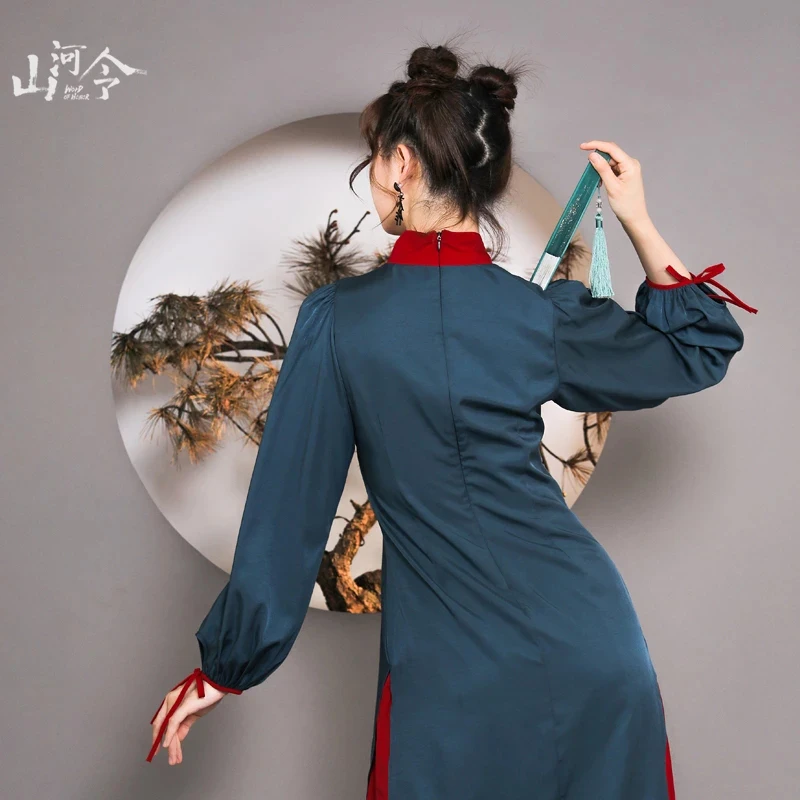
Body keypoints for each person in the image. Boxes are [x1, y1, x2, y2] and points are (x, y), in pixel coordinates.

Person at [146, 43, 756, 800]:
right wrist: (636, 219)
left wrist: (223, 670)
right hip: (586, 646)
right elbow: (697, 347)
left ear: (401, 163)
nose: (371, 177)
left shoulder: (340, 321)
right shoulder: (537, 315)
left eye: (374, 159)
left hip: (448, 676)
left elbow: (289, 510)